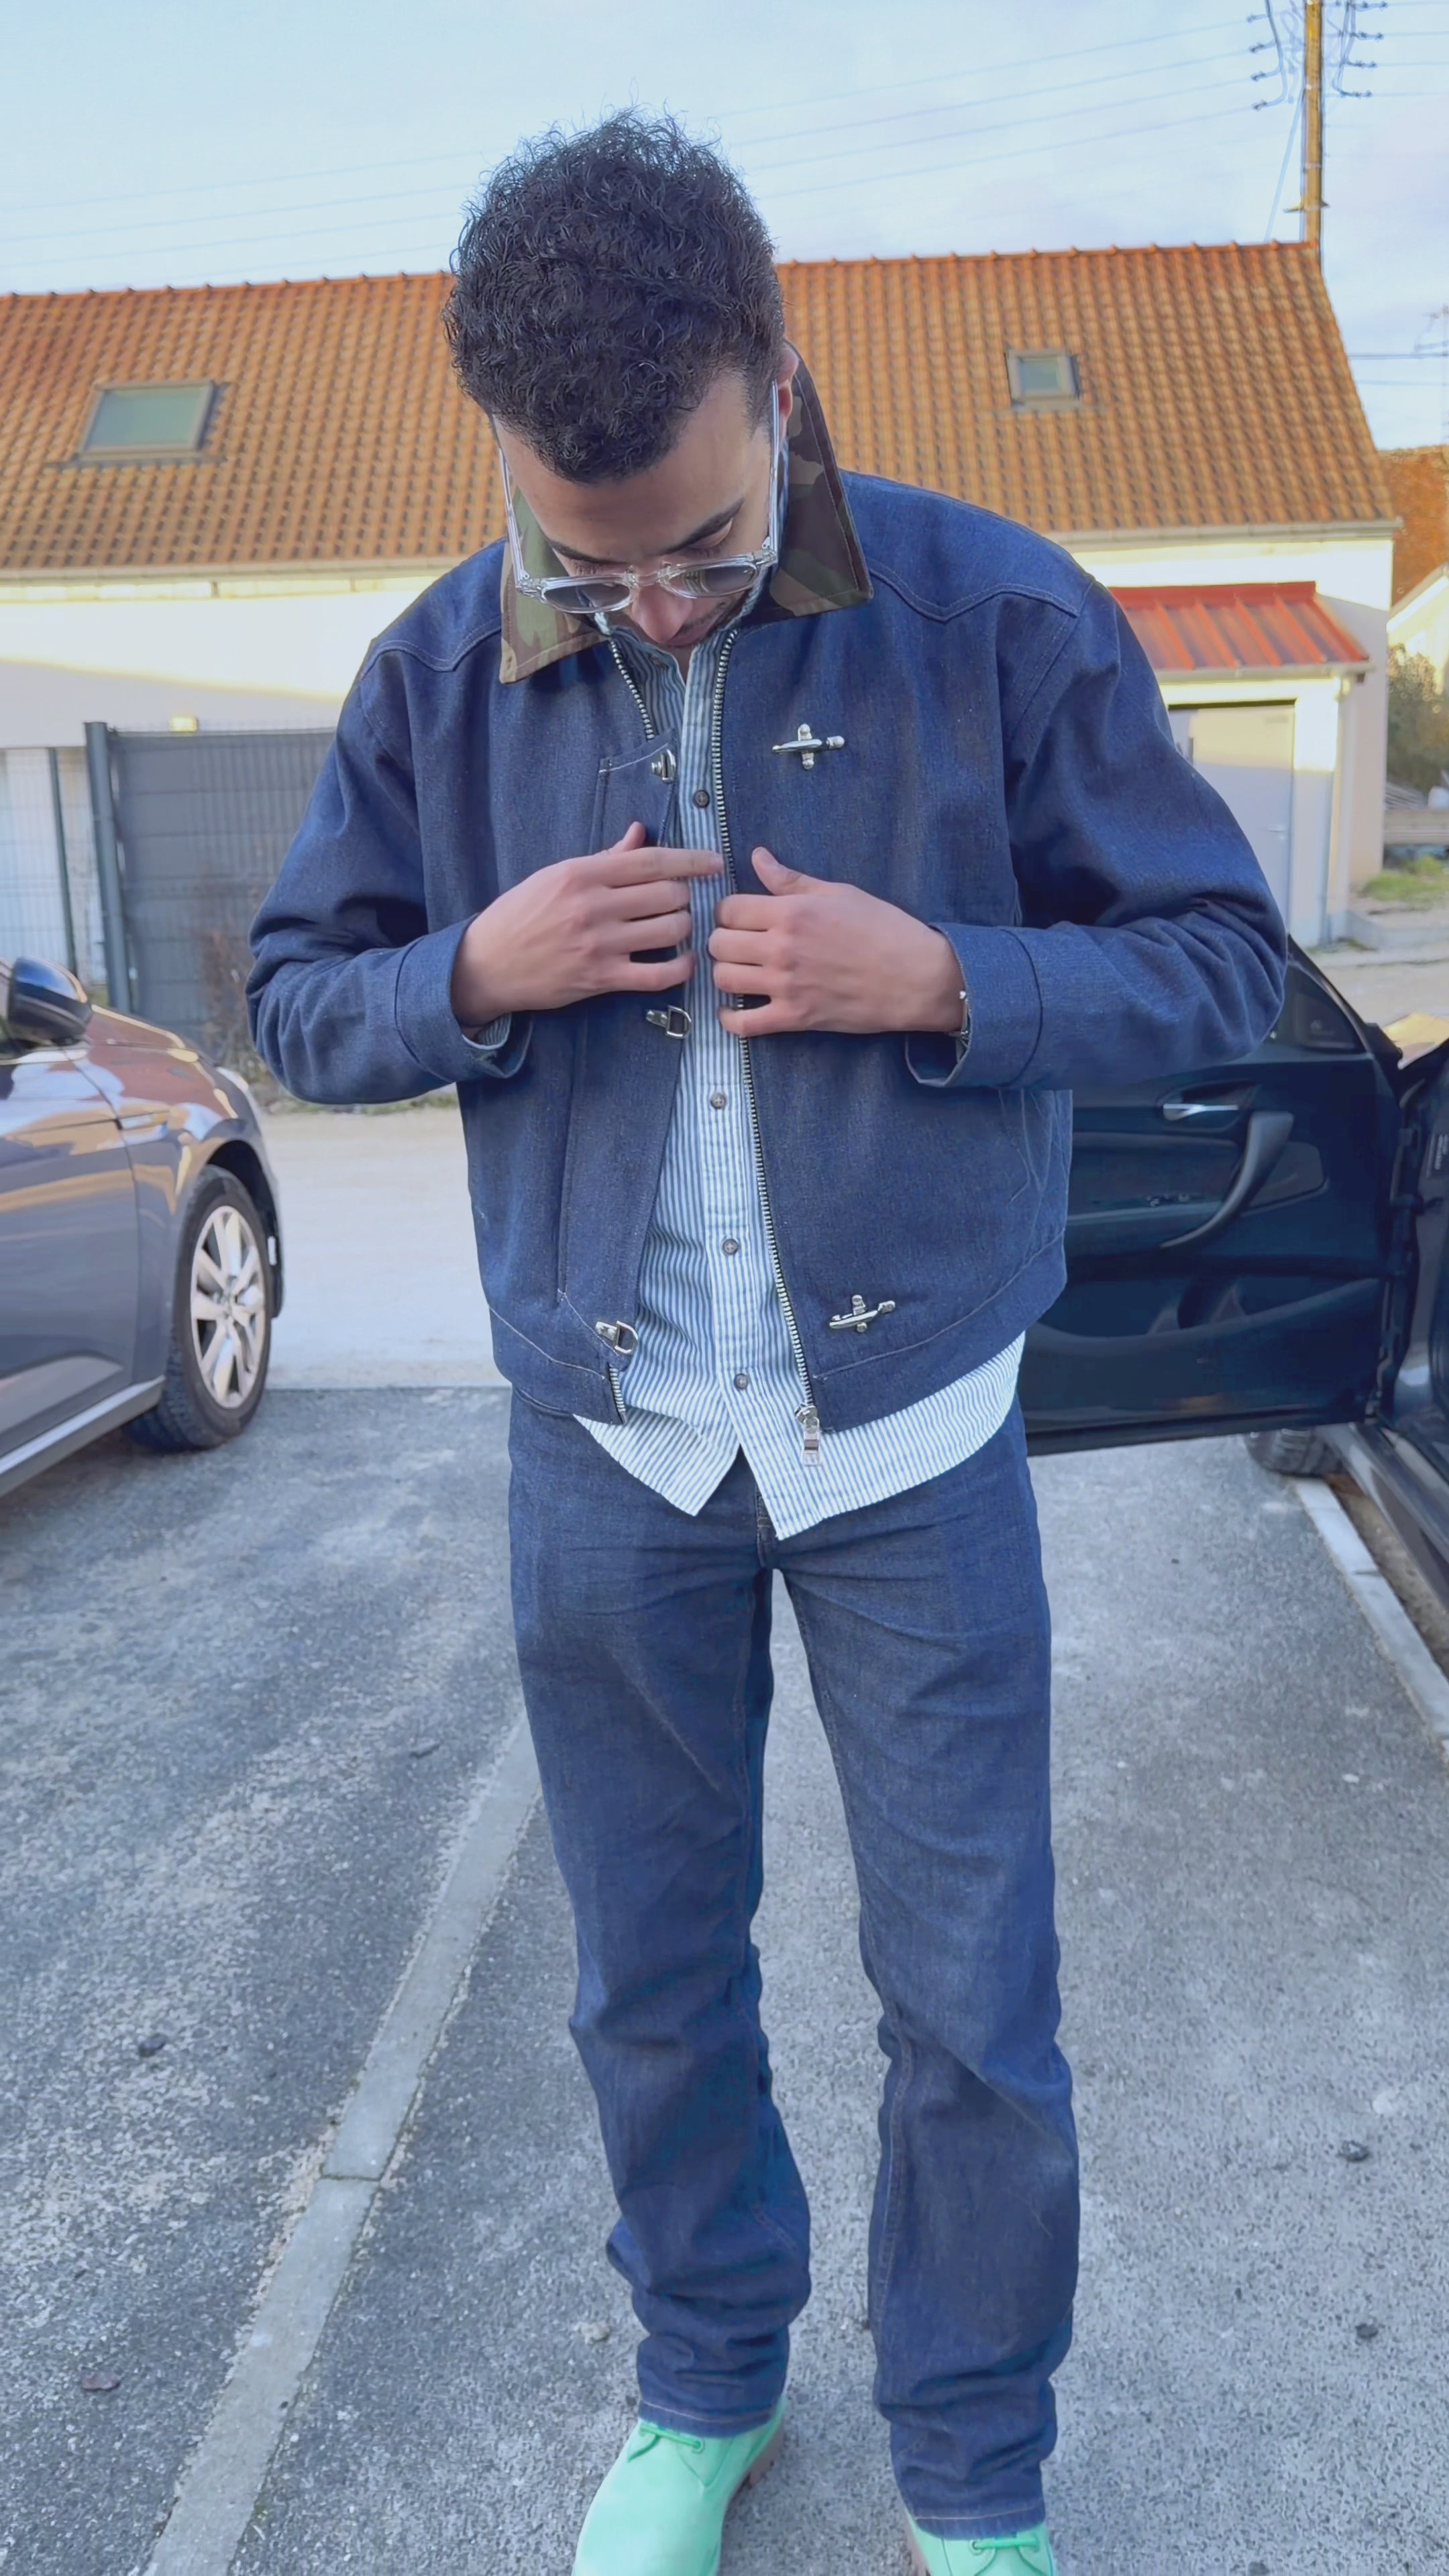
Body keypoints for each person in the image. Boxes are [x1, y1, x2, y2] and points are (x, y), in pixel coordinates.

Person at [248, 113, 1285, 2576]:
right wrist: (466, 970)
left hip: (913, 1431)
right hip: (606, 1439)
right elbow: (295, 997)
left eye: (705, 545)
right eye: (582, 560)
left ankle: (976, 2474)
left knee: (974, 1999)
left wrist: (954, 980)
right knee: (646, 1978)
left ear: (783, 381)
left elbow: (1229, 964)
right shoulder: (436, 668)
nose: (651, 603)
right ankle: (704, 2388)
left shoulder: (997, 614)